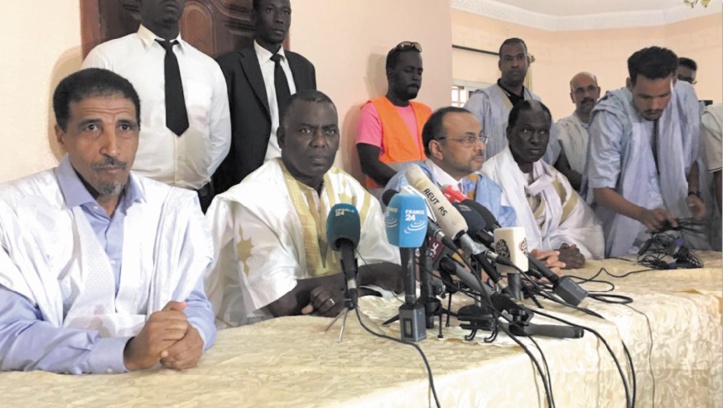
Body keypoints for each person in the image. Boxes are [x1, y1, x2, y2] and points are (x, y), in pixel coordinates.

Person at [0, 69, 216, 374]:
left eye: (125, 127)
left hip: (156, 384)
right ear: (61, 135)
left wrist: (194, 335)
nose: (112, 148)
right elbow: (8, 334)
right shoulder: (11, 213)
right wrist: (124, 353)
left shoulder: (173, 209)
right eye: (92, 127)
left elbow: (194, 302)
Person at [206, 90, 401, 327]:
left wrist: (345, 294)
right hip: (258, 335)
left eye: (329, 131)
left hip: (340, 326)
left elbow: (394, 276)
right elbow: (282, 302)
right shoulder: (255, 199)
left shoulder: (351, 191)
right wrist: (363, 276)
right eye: (305, 131)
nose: (320, 141)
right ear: (282, 138)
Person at [82, 0, 231, 211]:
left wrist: (196, 178)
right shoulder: (108, 58)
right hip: (131, 200)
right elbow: (88, 132)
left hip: (194, 201)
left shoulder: (208, 67)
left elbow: (220, 138)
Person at [386, 106, 565, 272]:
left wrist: (531, 264)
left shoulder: (488, 188)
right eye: (468, 139)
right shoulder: (411, 187)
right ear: (437, 149)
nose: (480, 146)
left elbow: (504, 242)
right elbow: (406, 261)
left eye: (480, 137)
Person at [586, 46, 706, 257]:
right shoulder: (610, 116)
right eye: (645, 97)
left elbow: (691, 156)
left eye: (663, 95)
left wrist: (694, 193)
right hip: (625, 231)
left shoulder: (684, 98)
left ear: (674, 83)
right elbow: (601, 190)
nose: (654, 105)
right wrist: (642, 214)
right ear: (630, 84)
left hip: (675, 225)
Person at [482, 100, 605, 268]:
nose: (535, 140)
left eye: (543, 132)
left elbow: (584, 227)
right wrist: (548, 256)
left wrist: (561, 250)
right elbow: (488, 241)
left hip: (556, 272)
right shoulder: (488, 178)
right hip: (510, 276)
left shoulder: (555, 180)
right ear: (509, 133)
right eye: (526, 131)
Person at [213, 0, 316, 196]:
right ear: (254, 16)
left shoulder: (304, 68)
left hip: (299, 179)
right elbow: (220, 131)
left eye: (286, 12)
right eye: (270, 10)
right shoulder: (230, 67)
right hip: (250, 183)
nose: (279, 19)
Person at [464, 38, 559, 163]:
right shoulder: (481, 102)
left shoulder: (536, 104)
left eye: (520, 57)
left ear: (527, 62)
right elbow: (465, 145)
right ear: (500, 65)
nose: (515, 64)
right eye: (509, 59)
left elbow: (551, 148)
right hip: (491, 174)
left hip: (530, 174)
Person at [356, 41, 432, 197]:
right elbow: (369, 164)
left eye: (419, 72)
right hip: (391, 201)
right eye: (408, 71)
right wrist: (408, 187)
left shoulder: (426, 112)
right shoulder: (373, 110)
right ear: (390, 74)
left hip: (429, 200)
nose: (415, 77)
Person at [553, 72, 601, 191]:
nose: (586, 95)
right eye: (580, 91)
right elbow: (562, 171)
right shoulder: (562, 129)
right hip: (579, 197)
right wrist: (597, 188)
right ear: (572, 97)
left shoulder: (613, 126)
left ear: (598, 92)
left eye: (591, 88)